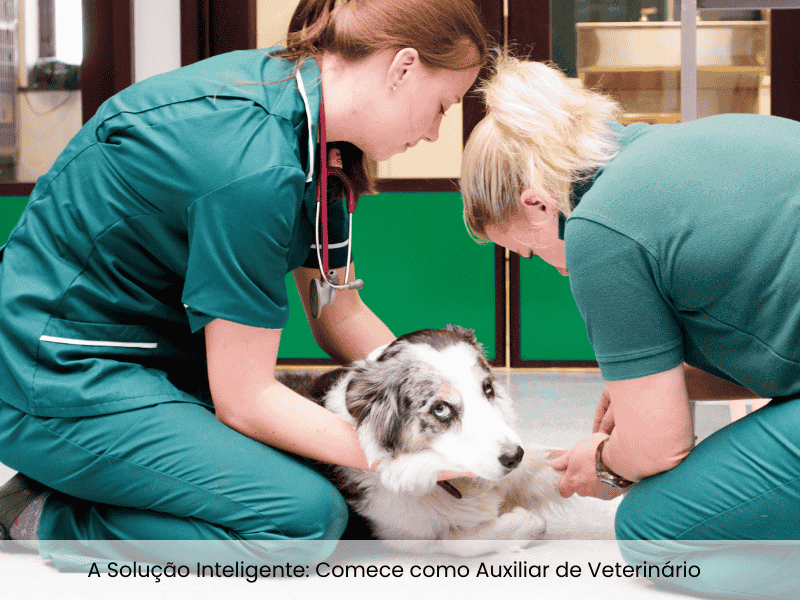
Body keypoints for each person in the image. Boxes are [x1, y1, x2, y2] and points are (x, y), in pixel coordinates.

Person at [0, 0, 485, 569]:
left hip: (151, 364)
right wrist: (411, 455)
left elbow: (339, 315)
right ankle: (40, 516)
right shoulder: (252, 163)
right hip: (57, 379)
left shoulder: (311, 133)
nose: (433, 132)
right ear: (402, 69)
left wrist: (455, 411)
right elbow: (246, 400)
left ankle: (78, 479)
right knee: (302, 520)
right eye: (442, 106)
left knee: (315, 459)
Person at [460, 53, 800, 599]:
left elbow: (660, 449)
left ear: (538, 205)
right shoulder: (702, 141)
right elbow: (780, 340)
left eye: (526, 250)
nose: (548, 265)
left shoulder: (598, 228)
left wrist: (602, 464)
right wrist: (674, 384)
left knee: (653, 532)